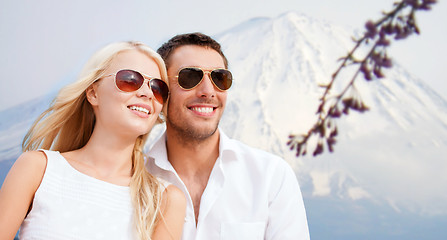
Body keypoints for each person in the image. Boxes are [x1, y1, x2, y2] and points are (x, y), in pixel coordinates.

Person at [0, 41, 186, 240]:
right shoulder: (38, 169)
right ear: (93, 93)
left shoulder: (165, 200)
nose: (147, 93)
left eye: (158, 88)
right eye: (130, 79)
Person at [146, 32, 310, 239]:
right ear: (161, 90)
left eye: (219, 78)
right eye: (190, 77)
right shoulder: (134, 181)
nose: (208, 91)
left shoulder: (271, 176)